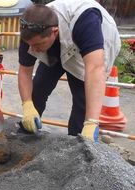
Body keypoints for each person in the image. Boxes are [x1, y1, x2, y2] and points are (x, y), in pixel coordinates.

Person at [18, 0, 121, 142]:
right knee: (39, 86)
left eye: (38, 44)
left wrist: (92, 121)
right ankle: (27, 131)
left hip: (89, 48)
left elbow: (95, 68)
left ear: (54, 31)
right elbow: (24, 71)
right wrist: (27, 105)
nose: (33, 49)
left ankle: (78, 146)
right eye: (31, 45)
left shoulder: (86, 22)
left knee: (82, 102)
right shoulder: (30, 28)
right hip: (59, 44)